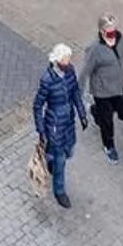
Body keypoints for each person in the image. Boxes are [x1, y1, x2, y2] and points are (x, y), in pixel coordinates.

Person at [32, 42, 89, 209]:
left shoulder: (70, 72)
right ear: (57, 61)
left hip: (69, 122)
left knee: (69, 151)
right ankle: (59, 191)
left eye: (69, 59)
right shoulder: (47, 80)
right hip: (55, 125)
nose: (69, 62)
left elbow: (75, 94)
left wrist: (82, 114)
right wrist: (41, 129)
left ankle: (49, 160)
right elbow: (37, 106)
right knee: (61, 160)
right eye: (65, 59)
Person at [82, 16, 123, 162]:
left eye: (114, 30)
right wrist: (78, 93)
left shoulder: (119, 39)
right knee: (107, 121)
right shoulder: (95, 49)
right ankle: (109, 146)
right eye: (109, 32)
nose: (113, 34)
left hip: (117, 86)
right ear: (101, 31)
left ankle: (94, 112)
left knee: (117, 109)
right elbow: (85, 71)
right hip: (101, 91)